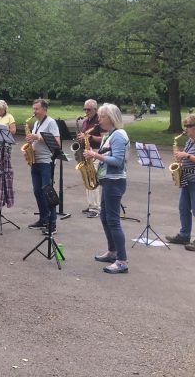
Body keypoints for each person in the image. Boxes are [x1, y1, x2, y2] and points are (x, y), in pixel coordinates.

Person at [83, 103, 130, 274]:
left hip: (115, 181)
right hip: (108, 181)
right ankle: (112, 251)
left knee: (113, 221)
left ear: (111, 118)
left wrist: (95, 155)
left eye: (102, 117)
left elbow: (117, 161)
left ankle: (122, 261)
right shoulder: (110, 134)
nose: (99, 120)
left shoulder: (118, 136)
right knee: (104, 217)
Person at [166, 114, 195, 252]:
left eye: (188, 126)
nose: (185, 128)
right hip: (187, 179)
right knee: (183, 208)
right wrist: (179, 157)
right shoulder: (190, 141)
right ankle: (184, 235)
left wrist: (186, 155)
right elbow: (186, 158)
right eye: (185, 126)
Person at [25, 99, 60, 234]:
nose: (34, 111)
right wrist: (29, 148)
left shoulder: (51, 122)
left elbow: (57, 142)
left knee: (47, 193)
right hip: (35, 161)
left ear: (44, 109)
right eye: (33, 109)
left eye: (37, 109)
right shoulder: (36, 123)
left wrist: (37, 137)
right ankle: (43, 219)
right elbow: (35, 139)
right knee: (37, 191)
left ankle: (52, 223)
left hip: (46, 161)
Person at [77, 99, 103, 217]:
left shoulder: (99, 121)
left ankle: (96, 208)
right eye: (85, 109)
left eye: (89, 109)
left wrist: (89, 137)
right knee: (87, 179)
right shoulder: (85, 121)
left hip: (95, 152)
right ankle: (91, 204)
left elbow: (104, 138)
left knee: (94, 180)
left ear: (95, 109)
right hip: (86, 152)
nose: (86, 111)